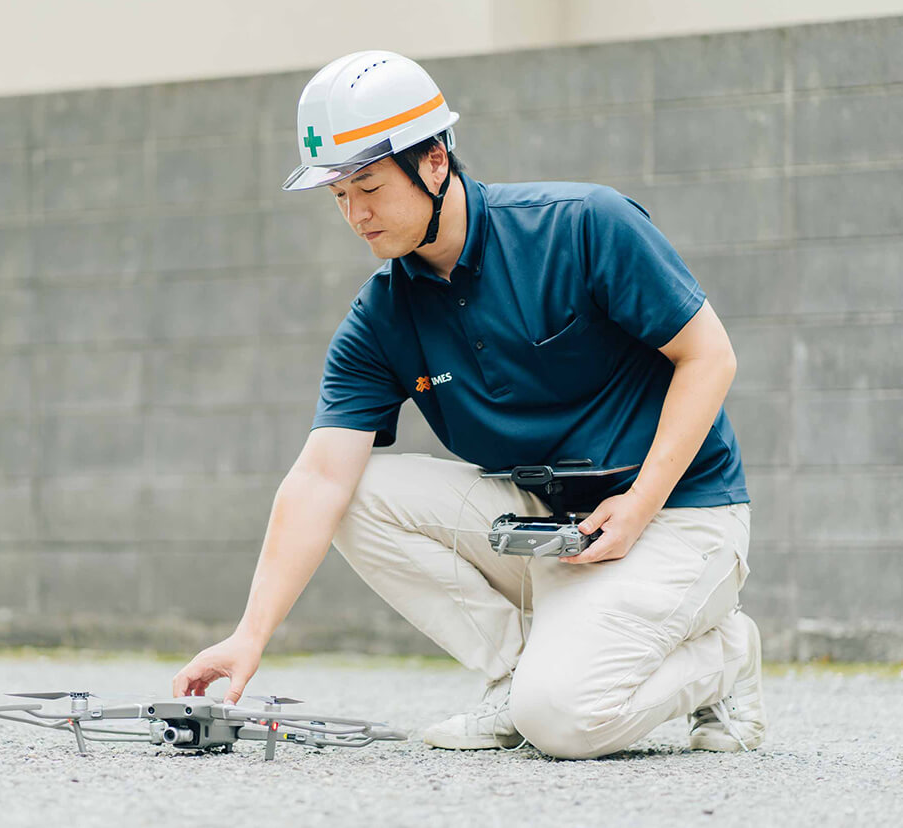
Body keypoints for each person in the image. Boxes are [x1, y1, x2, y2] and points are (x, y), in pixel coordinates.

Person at [171, 50, 765, 759]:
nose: (355, 215)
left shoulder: (581, 225)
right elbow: (319, 479)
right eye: (338, 197)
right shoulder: (382, 317)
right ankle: (517, 680)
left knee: (565, 724)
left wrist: (639, 505)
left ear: (432, 162)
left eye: (367, 185)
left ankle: (723, 657)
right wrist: (250, 634)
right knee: (356, 493)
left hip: (678, 515)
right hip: (551, 524)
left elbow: (710, 355)